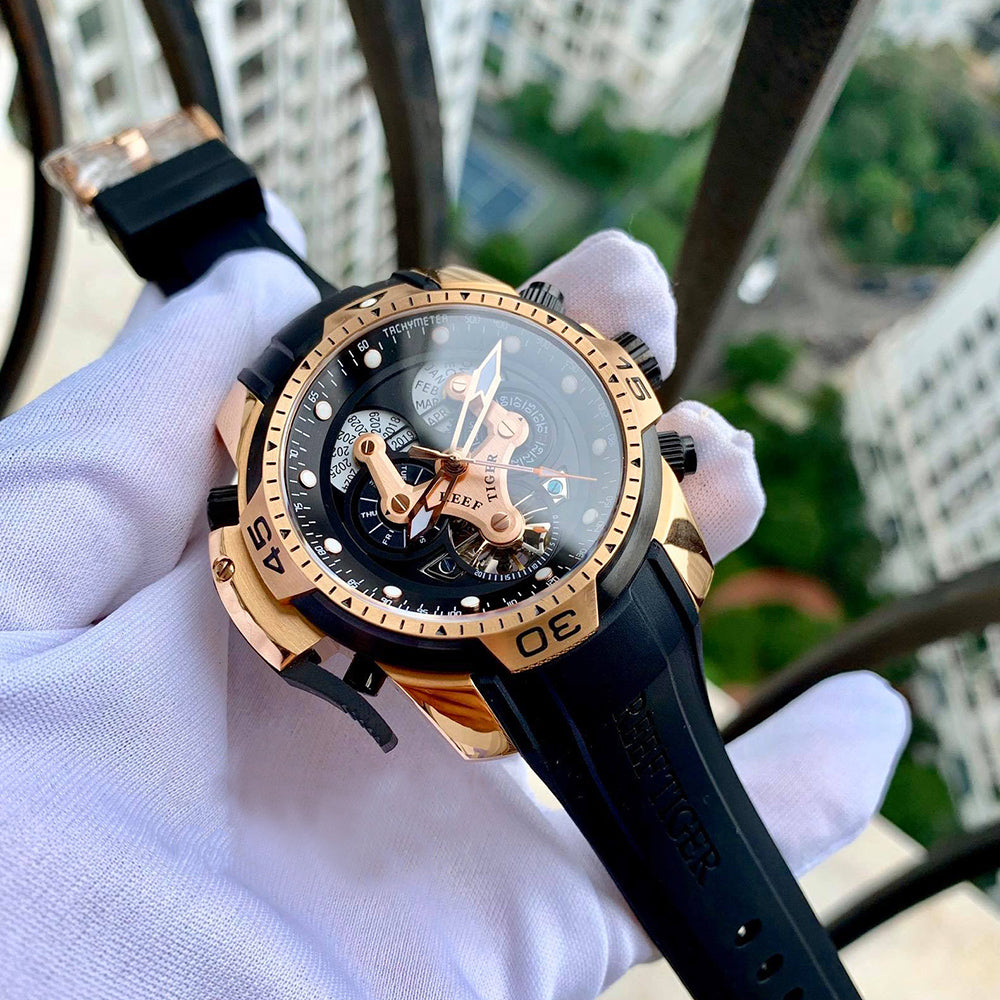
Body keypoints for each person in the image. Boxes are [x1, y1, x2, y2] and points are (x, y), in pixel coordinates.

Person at [0, 210, 909, 999]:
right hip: (465, 599)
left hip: (585, 573)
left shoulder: (504, 403)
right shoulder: (328, 491)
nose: (462, 457)